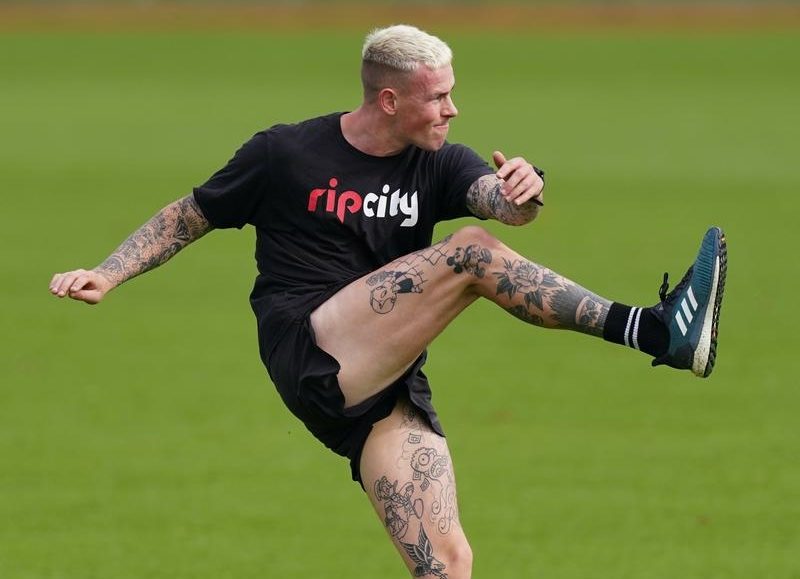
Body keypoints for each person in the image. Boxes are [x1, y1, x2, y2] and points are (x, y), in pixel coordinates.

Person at [49, 24, 727, 579]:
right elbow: (190, 214)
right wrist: (108, 273)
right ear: (390, 100)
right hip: (312, 346)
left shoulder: (441, 161)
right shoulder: (285, 152)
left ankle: (663, 336)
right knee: (469, 253)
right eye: (439, 97)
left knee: (448, 563)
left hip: (383, 380)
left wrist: (523, 193)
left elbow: (499, 206)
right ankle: (656, 332)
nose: (452, 110)